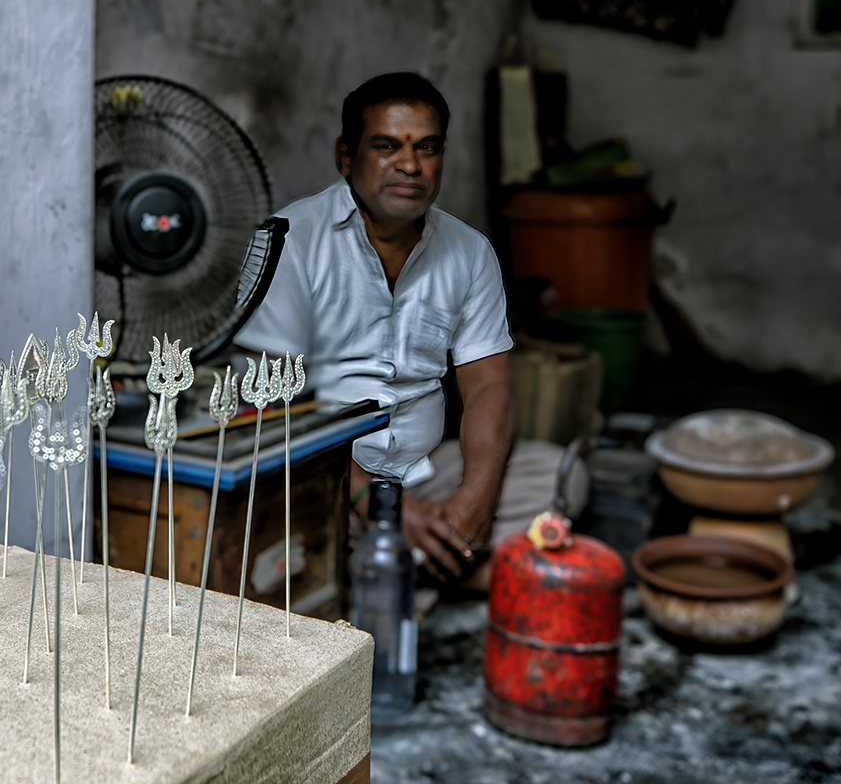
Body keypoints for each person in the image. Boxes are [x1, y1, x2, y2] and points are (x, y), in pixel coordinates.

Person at [235, 72, 586, 590]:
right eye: (386, 147)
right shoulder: (289, 241)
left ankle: (401, 562)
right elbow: (264, 406)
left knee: (562, 476)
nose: (410, 165)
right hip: (322, 480)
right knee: (263, 524)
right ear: (346, 156)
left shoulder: (470, 251)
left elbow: (487, 386)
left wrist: (476, 499)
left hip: (423, 474)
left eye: (427, 147)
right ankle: (434, 568)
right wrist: (371, 503)